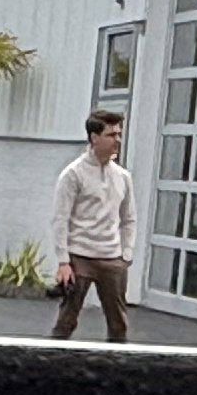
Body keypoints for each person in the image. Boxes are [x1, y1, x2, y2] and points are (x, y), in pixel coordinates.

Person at [46, 110, 134, 341]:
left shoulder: (123, 177)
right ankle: (51, 364)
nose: (117, 140)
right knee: (67, 320)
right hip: (80, 256)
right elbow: (60, 218)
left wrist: (126, 253)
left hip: (112, 258)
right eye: (111, 134)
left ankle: (118, 369)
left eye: (119, 134)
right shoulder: (73, 174)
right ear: (94, 138)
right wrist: (64, 261)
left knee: (118, 324)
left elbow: (128, 218)